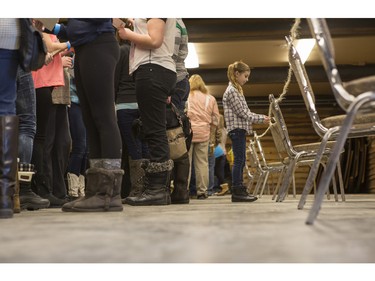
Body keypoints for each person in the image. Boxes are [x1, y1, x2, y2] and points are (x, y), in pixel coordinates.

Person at [35, 18, 124, 212]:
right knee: (91, 121)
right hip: (87, 49)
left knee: (103, 117)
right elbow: (75, 29)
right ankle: (96, 191)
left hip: (99, 47)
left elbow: (92, 21)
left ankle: (109, 194)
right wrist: (51, 25)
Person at [117, 18, 177, 206]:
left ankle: (157, 190)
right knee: (153, 129)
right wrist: (132, 21)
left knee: (154, 130)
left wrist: (127, 35)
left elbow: (154, 40)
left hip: (153, 68)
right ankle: (158, 188)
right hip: (156, 69)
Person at [30, 32, 71, 207]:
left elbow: (53, 50)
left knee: (53, 142)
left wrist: (64, 48)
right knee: (42, 140)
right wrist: (67, 44)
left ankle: (48, 189)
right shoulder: (40, 29)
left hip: (48, 85)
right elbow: (49, 47)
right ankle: (42, 189)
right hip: (40, 83)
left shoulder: (49, 30)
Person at [222, 60, 270, 202]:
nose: (247, 79)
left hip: (239, 130)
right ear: (237, 74)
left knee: (241, 161)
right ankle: (237, 190)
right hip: (236, 130)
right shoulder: (232, 91)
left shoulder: (236, 90)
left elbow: (245, 112)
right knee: (239, 160)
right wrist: (262, 119)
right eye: (245, 76)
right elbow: (243, 113)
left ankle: (239, 189)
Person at [114, 19, 149, 201]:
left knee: (132, 148)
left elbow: (114, 81)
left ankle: (136, 190)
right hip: (141, 104)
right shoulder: (141, 51)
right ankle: (146, 188)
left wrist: (112, 101)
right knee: (143, 145)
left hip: (124, 106)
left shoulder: (120, 52)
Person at [168, 18, 190, 204]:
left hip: (175, 79)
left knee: (173, 135)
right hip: (179, 79)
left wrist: (166, 85)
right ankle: (180, 189)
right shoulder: (176, 21)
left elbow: (171, 55)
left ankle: (180, 189)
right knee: (176, 135)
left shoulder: (173, 21)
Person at [187, 74, 220, 199]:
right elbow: (216, 120)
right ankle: (202, 192)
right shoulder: (210, 98)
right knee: (202, 163)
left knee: (187, 163)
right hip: (204, 134)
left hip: (188, 134)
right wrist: (209, 127)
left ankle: (184, 190)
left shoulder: (187, 97)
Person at [66, 64, 88, 201]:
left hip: (87, 105)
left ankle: (82, 189)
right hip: (73, 103)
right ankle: (73, 190)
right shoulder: (71, 57)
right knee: (79, 146)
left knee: (86, 149)